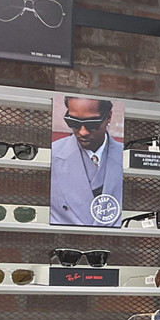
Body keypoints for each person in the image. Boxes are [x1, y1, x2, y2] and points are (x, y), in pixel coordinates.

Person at [50, 96, 124, 227]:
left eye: (92, 124)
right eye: (74, 123)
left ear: (108, 117)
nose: (83, 132)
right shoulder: (51, 155)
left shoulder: (126, 157)